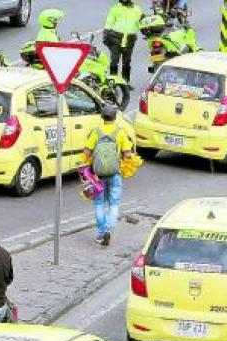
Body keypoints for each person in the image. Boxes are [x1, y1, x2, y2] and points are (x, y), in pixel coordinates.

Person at [83, 104, 133, 247]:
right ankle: (109, 230)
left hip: (97, 175)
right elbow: (128, 154)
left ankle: (100, 234)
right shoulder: (120, 132)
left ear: (102, 117)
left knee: (99, 204)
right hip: (114, 174)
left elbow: (86, 152)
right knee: (114, 204)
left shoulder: (95, 132)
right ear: (115, 116)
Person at [104, 0, 144, 85]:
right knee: (114, 61)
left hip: (130, 39)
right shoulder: (115, 8)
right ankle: (113, 82)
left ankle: (125, 83)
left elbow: (141, 23)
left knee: (126, 62)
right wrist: (106, 34)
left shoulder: (137, 9)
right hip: (116, 37)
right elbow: (109, 22)